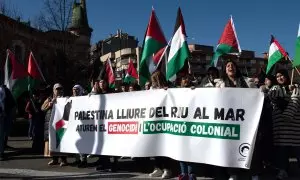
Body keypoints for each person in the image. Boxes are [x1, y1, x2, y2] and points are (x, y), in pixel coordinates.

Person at [268, 69, 300, 180]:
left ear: (287, 76)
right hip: (281, 129)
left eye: (282, 75)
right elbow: (271, 95)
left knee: (298, 150)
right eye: (277, 76)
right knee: (282, 153)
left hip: (295, 127)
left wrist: (288, 114)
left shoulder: (296, 87)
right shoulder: (275, 88)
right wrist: (286, 89)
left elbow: (295, 100)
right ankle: (283, 171)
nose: (280, 78)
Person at [148, 71, 172, 179]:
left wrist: (168, 91)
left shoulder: (169, 88)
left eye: (154, 80)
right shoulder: (151, 90)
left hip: (166, 121)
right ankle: (157, 167)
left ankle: (167, 169)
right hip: (155, 120)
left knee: (165, 146)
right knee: (156, 146)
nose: (153, 83)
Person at [41, 83, 67, 166]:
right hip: (50, 123)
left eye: (60, 89)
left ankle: (63, 159)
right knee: (51, 141)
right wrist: (49, 104)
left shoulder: (65, 99)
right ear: (53, 90)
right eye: (57, 89)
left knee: (61, 140)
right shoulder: (49, 99)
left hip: (60, 123)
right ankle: (54, 159)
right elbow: (42, 108)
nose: (59, 91)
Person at [72, 85, 88, 168]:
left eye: (77, 90)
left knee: (82, 143)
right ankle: (77, 159)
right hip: (73, 125)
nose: (75, 91)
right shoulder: (71, 99)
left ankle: (83, 160)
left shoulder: (84, 99)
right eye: (74, 90)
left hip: (82, 125)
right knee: (75, 143)